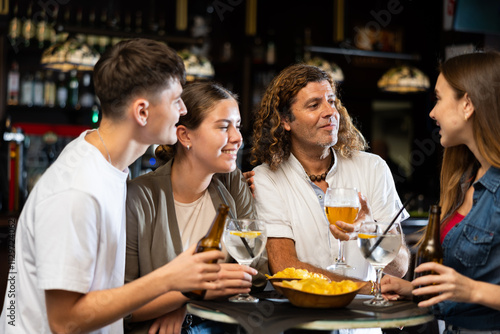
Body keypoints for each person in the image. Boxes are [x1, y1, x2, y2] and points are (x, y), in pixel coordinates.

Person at [0, 39, 226, 334]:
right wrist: (170, 278)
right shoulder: (77, 190)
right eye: (175, 100)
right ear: (142, 112)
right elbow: (64, 320)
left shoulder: (106, 160)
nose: (183, 109)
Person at [250, 63, 410, 296]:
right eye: (314, 105)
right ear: (285, 121)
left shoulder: (373, 167)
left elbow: (400, 267)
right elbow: (285, 270)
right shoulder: (266, 178)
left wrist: (369, 231)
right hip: (302, 323)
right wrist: (370, 289)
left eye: (331, 101)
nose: (330, 112)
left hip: (362, 328)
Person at [125, 81, 267, 334]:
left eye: (238, 126)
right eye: (224, 127)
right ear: (185, 135)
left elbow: (254, 274)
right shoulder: (139, 197)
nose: (237, 138)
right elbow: (122, 308)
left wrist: (184, 300)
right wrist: (187, 294)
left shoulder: (232, 181)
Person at [381, 51, 500, 333]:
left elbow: (469, 288)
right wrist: (412, 289)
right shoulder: (466, 179)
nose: (432, 112)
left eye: (438, 98)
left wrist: (471, 290)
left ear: (467, 104)